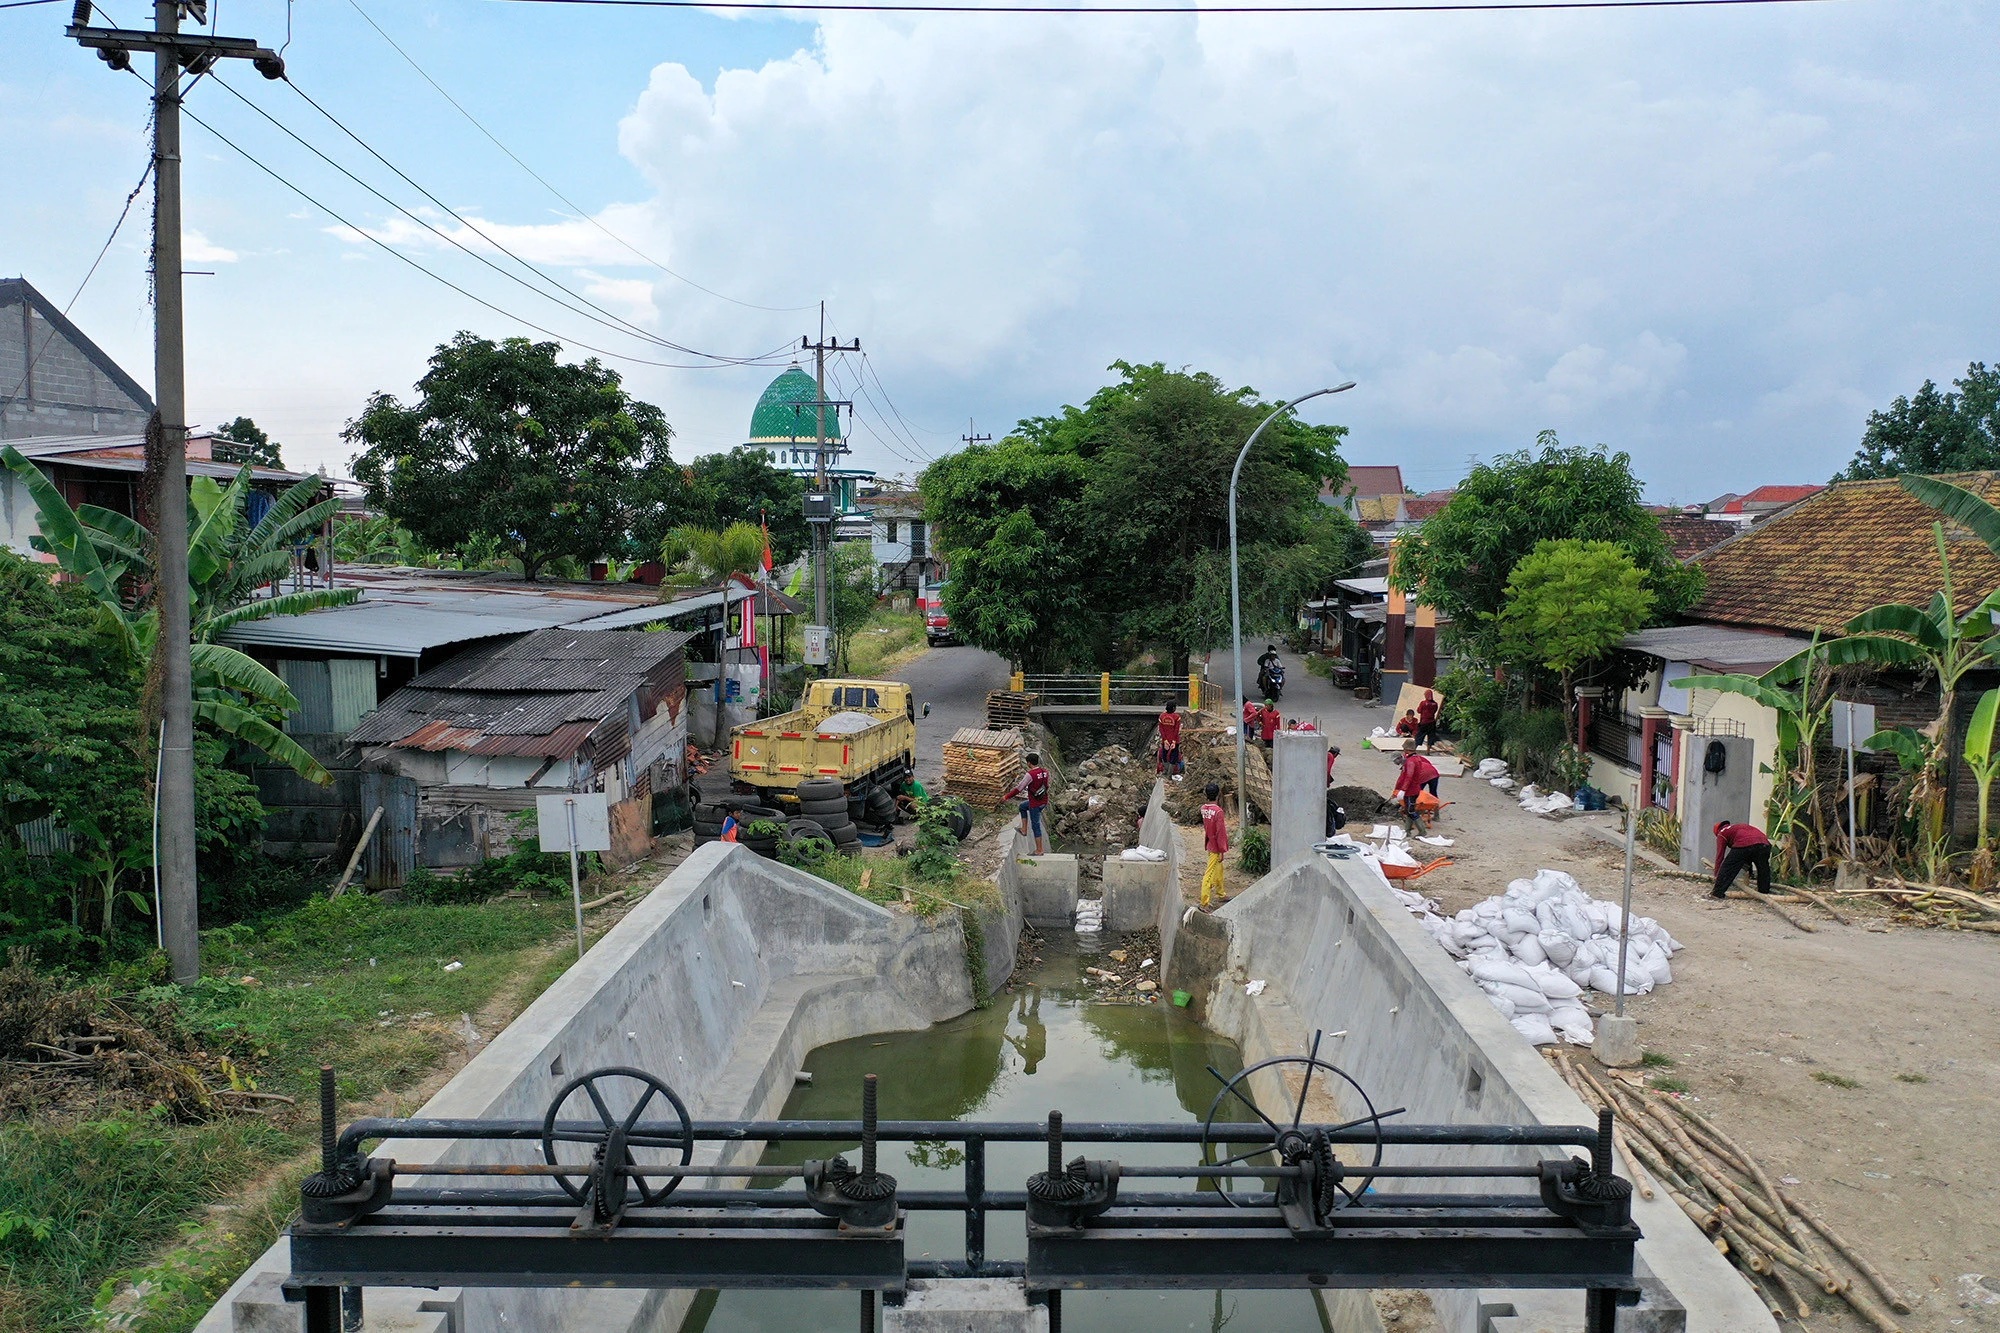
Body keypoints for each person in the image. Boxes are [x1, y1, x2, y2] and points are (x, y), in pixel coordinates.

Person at [1711, 820, 1773, 897]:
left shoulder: (1721, 833)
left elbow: (1720, 856)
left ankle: (1717, 893)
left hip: (1744, 844)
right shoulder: (1738, 827)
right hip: (1764, 844)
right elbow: (1750, 854)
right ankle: (1764, 892)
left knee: (1728, 867)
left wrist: (1716, 875)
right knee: (1763, 868)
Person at [1008, 751, 1052, 855]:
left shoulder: (1030, 774)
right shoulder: (1044, 771)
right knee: (1022, 807)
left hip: (1035, 804)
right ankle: (1023, 830)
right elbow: (1047, 786)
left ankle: (1039, 850)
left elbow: (1019, 788)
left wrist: (1007, 796)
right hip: (1044, 801)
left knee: (1036, 826)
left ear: (1029, 763)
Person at [1393, 739, 1440, 824]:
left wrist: (1398, 790)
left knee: (1416, 796)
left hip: (1422, 775)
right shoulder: (1416, 757)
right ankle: (1437, 815)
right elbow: (1428, 763)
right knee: (1433, 795)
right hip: (1433, 773)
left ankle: (1416, 813)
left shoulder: (1409, 761)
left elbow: (1404, 778)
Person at [1200, 781, 1229, 909]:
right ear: (1218, 795)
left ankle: (1221, 893)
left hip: (1210, 843)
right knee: (1210, 873)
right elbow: (1220, 832)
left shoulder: (1204, 809)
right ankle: (1204, 903)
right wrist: (1222, 850)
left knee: (1219, 869)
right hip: (1216, 846)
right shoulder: (1219, 812)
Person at [1157, 700, 1185, 778]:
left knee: (1164, 756)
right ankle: (1169, 774)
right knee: (1174, 757)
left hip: (1165, 740)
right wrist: (1174, 741)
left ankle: (1166, 771)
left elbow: (1161, 729)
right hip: (1174, 741)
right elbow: (1176, 730)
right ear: (1173, 708)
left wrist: (1165, 740)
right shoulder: (1177, 717)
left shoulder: (1162, 716)